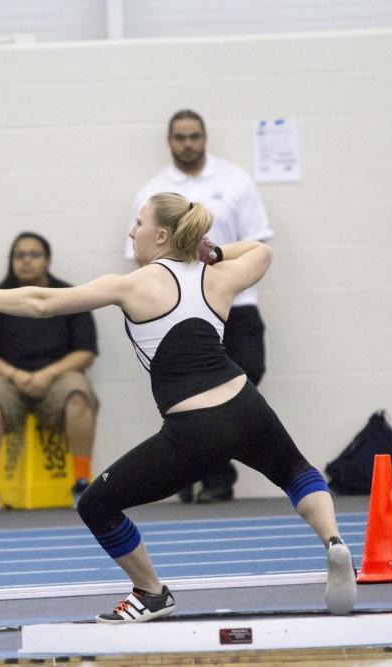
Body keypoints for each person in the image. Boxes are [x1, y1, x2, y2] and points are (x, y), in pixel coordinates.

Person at [0, 194, 356, 622]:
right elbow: (262, 251)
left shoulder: (132, 284)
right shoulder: (217, 277)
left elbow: (41, 303)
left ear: (160, 235)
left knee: (96, 504)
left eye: (137, 223)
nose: (130, 231)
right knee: (296, 472)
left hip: (193, 427)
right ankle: (334, 543)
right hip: (246, 404)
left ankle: (151, 592)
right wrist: (214, 253)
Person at [127, 109, 273, 504]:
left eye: (194, 136)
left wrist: (219, 263)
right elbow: (138, 253)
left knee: (247, 373)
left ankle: (202, 465)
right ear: (169, 141)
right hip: (182, 309)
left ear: (204, 138)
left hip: (234, 300)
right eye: (180, 137)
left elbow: (259, 239)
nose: (187, 144)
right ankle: (214, 477)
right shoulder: (153, 192)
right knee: (199, 391)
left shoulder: (235, 180)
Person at [0, 232, 100, 514]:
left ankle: (82, 483)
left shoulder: (70, 297)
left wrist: (48, 374)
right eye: (19, 255)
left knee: (78, 391)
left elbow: (85, 352)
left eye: (33, 254)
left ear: (47, 260)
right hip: (9, 381)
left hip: (56, 380)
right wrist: (15, 375)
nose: (26, 261)